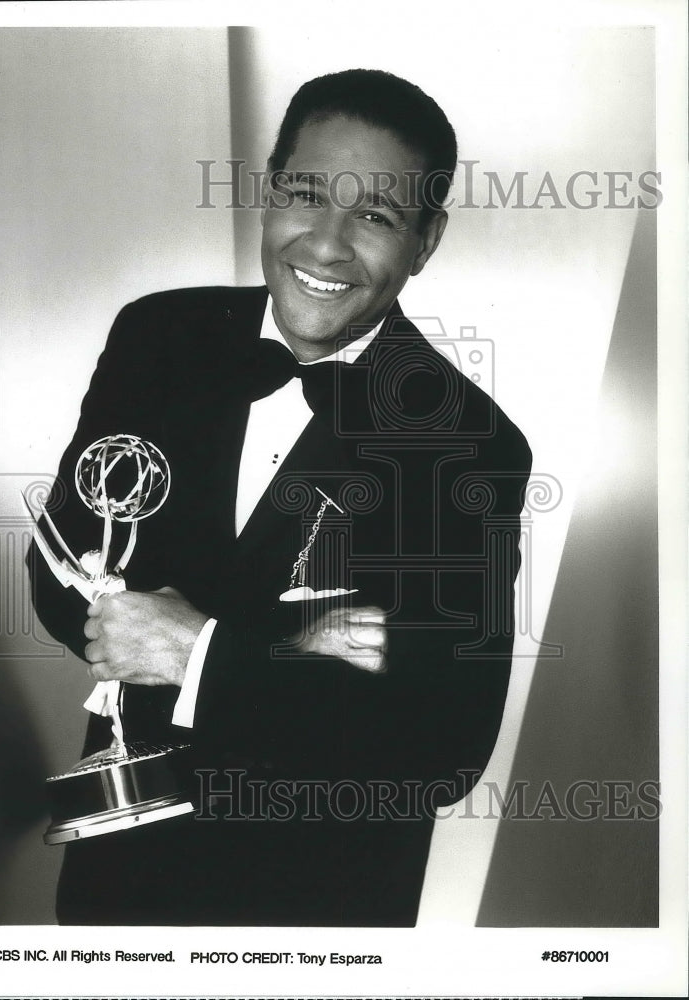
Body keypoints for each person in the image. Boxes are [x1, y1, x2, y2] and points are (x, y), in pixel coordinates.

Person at [28, 68, 532, 926]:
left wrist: (199, 652)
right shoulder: (159, 334)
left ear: (426, 240)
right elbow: (58, 568)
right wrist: (303, 649)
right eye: (305, 194)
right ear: (268, 191)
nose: (327, 245)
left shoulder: (471, 446)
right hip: (119, 877)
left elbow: (442, 748)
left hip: (316, 900)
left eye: (376, 215)